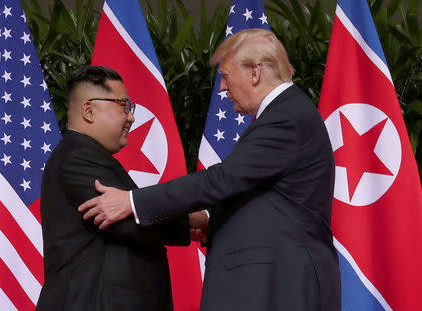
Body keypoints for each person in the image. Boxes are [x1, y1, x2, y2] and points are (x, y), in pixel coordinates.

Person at [79, 29, 341, 310]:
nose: (222, 89)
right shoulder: (286, 114)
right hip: (273, 281)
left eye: (226, 76)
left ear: (254, 73)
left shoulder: (286, 118)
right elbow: (255, 194)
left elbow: (221, 180)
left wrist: (131, 201)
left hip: (282, 284)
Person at [36, 65, 196, 311]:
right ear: (88, 110)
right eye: (123, 105)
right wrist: (195, 220)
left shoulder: (86, 155)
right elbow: (133, 221)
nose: (131, 117)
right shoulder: (78, 157)